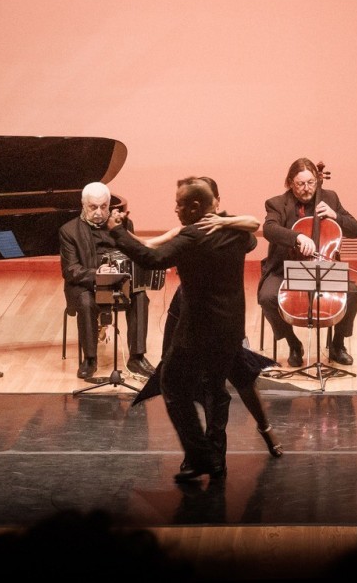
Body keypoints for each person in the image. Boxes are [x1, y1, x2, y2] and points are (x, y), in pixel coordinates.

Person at [112, 177, 258, 483]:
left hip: (197, 331)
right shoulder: (235, 232)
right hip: (230, 329)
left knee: (173, 386)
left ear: (194, 207)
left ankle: (199, 455)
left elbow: (152, 259)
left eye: (179, 203)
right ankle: (215, 459)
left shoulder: (193, 238)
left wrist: (117, 232)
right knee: (216, 391)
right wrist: (226, 221)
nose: (175, 208)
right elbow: (253, 235)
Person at [134, 178, 281, 457]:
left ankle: (263, 427)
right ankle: (201, 453)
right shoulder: (188, 230)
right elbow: (157, 243)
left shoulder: (230, 228)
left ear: (216, 202)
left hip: (220, 316)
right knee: (185, 376)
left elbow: (251, 228)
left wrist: (224, 223)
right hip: (191, 307)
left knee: (241, 377)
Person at [258, 158, 357, 367]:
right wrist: (297, 237)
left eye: (311, 183)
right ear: (290, 182)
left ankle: (337, 345)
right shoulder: (277, 203)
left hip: (324, 267)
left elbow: (355, 229)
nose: (307, 189)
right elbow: (269, 229)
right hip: (285, 269)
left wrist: (335, 216)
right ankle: (293, 343)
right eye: (301, 184)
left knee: (351, 292)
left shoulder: (330, 198)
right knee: (267, 297)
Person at [59, 182, 154, 382]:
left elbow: (134, 252)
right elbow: (71, 270)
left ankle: (136, 357)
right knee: (86, 302)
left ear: (110, 205)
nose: (99, 212)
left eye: (104, 206)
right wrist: (98, 274)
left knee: (140, 296)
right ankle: (90, 359)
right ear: (83, 205)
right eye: (93, 207)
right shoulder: (69, 231)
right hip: (86, 284)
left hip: (119, 281)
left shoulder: (123, 224)